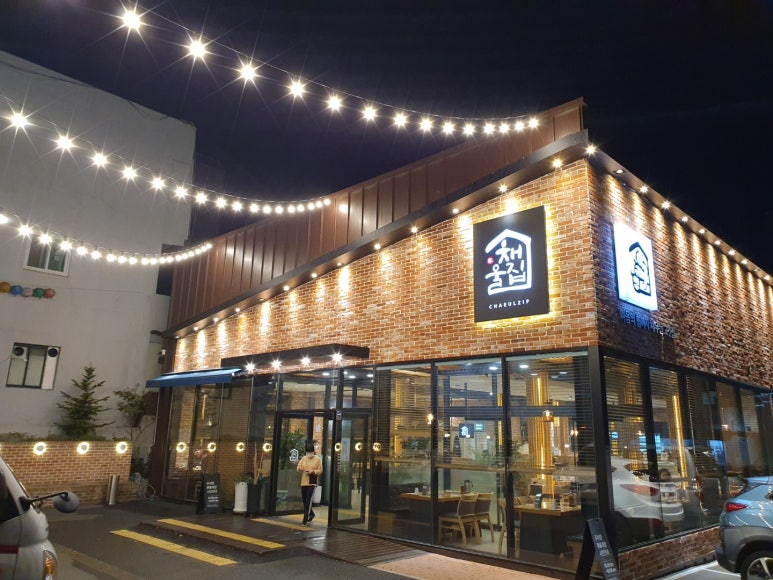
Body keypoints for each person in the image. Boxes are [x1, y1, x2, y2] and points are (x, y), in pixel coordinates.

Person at [297, 443, 322, 525]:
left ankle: (305, 520)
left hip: (312, 482)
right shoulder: (304, 458)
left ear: (313, 452)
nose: (309, 454)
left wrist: (313, 471)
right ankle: (311, 514)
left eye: (310, 452)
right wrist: (301, 469)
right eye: (307, 452)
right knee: (304, 501)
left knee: (308, 501)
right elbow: (298, 467)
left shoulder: (317, 459)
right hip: (304, 482)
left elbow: (320, 471)